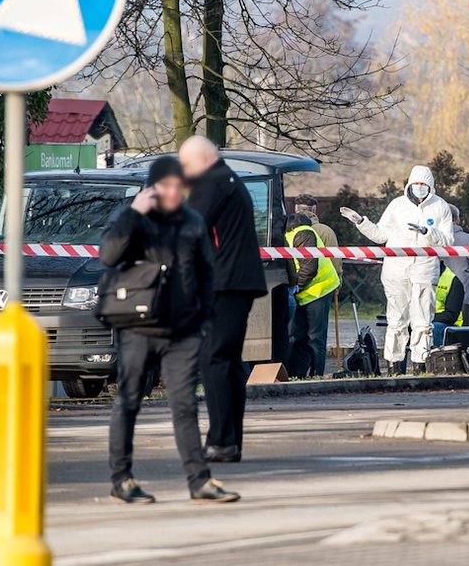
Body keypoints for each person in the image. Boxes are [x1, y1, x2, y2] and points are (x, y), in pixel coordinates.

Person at [100, 157, 240, 505]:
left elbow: (207, 273)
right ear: (153, 187)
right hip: (139, 327)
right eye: (167, 186)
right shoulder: (134, 218)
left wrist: (204, 320)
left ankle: (199, 481)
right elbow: (109, 255)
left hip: (183, 330)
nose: (175, 193)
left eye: (180, 186)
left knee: (184, 405)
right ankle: (122, 479)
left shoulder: (192, 221)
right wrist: (135, 212)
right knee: (129, 400)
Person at [181, 136, 267, 463]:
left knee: (213, 358)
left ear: (202, 159)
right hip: (238, 282)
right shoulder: (229, 180)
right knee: (229, 362)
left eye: (187, 165)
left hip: (223, 284)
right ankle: (231, 441)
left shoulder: (212, 181)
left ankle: (220, 440)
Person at [340, 165, 453, 375]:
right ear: (410, 184)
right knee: (396, 320)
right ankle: (394, 365)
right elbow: (381, 235)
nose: (420, 188)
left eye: (424, 185)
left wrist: (428, 232)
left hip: (424, 269)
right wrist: (361, 222)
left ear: (431, 186)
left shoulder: (440, 207)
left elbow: (448, 240)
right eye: (417, 184)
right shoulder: (397, 206)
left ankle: (420, 364)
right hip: (396, 270)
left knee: (422, 320)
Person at [285, 214, 341, 378]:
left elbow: (309, 267)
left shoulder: (302, 233)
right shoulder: (289, 234)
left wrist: (296, 287)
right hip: (305, 291)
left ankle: (317, 375)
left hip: (319, 289)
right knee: (300, 336)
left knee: (315, 338)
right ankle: (299, 376)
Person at [443, 204, 469, 326]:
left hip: (435, 298)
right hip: (464, 298)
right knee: (463, 338)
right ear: (457, 219)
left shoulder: (431, 240)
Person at [294, 194, 342, 277]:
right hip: (323, 285)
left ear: (295, 209)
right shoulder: (326, 231)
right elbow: (335, 262)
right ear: (314, 209)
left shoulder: (288, 230)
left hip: (295, 283)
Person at [433, 265, 464, 346]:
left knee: (434, 328)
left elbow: (451, 316)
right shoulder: (418, 278)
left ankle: (437, 356)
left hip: (447, 323)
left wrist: (427, 319)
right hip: (426, 319)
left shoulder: (453, 280)